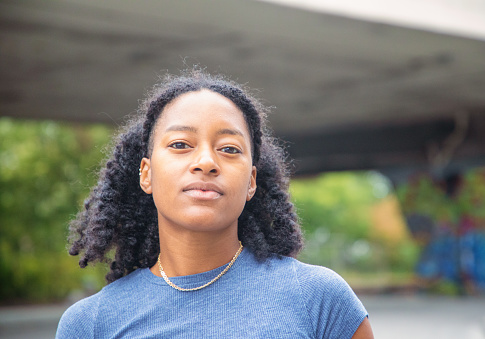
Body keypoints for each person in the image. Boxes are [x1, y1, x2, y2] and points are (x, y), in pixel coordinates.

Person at [56, 69, 374, 338]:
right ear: (146, 174)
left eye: (229, 149)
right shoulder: (90, 324)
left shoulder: (320, 299)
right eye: (181, 144)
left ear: (251, 181)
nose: (206, 162)